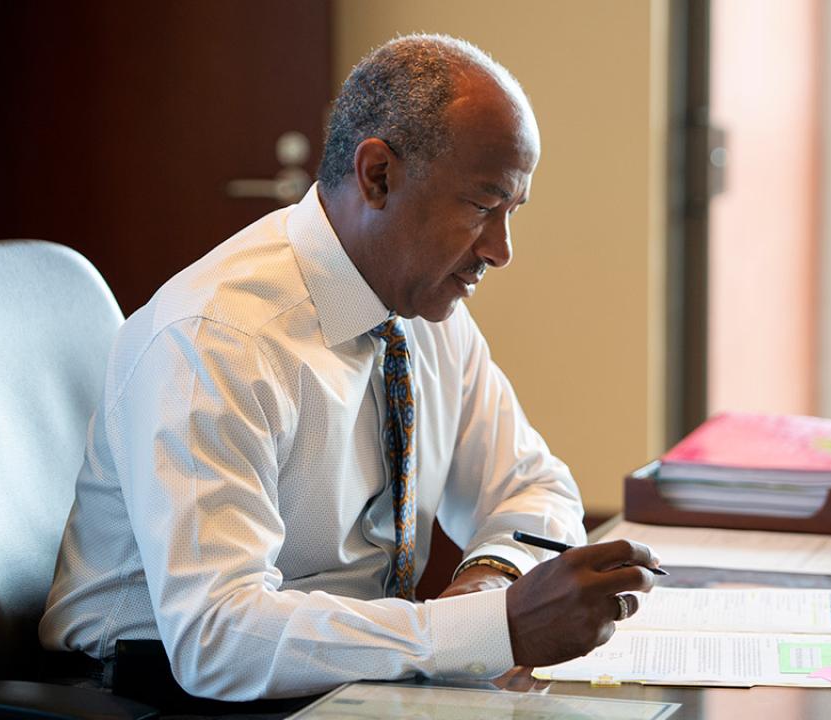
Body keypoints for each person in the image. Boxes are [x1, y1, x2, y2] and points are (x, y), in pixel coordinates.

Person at [39, 33, 660, 702]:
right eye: (483, 207)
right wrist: (484, 630)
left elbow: (536, 489)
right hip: (157, 695)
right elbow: (216, 639)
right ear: (378, 176)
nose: (501, 250)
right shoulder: (217, 339)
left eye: (512, 212)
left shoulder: (420, 309)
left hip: (347, 680)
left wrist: (490, 577)